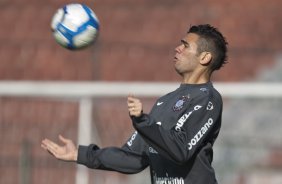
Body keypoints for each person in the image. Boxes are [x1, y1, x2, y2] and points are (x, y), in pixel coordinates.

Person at [41, 24, 228, 184]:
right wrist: (79, 155)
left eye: (185, 45)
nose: (177, 48)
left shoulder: (208, 99)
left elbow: (180, 150)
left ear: (204, 58)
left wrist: (142, 121)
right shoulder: (164, 101)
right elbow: (133, 158)